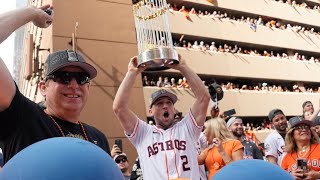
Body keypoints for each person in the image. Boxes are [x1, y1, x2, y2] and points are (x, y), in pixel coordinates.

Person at [0, 5, 110, 164]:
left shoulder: (98, 137)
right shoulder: (22, 118)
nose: (74, 85)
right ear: (43, 87)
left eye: (82, 78)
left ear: (88, 87)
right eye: (64, 77)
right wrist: (31, 13)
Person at [113, 55, 210, 179]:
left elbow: (204, 98)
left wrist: (183, 67)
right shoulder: (142, 133)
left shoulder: (187, 128)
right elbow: (119, 108)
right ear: (150, 111)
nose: (165, 106)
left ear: (174, 109)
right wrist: (132, 73)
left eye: (169, 103)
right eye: (159, 103)